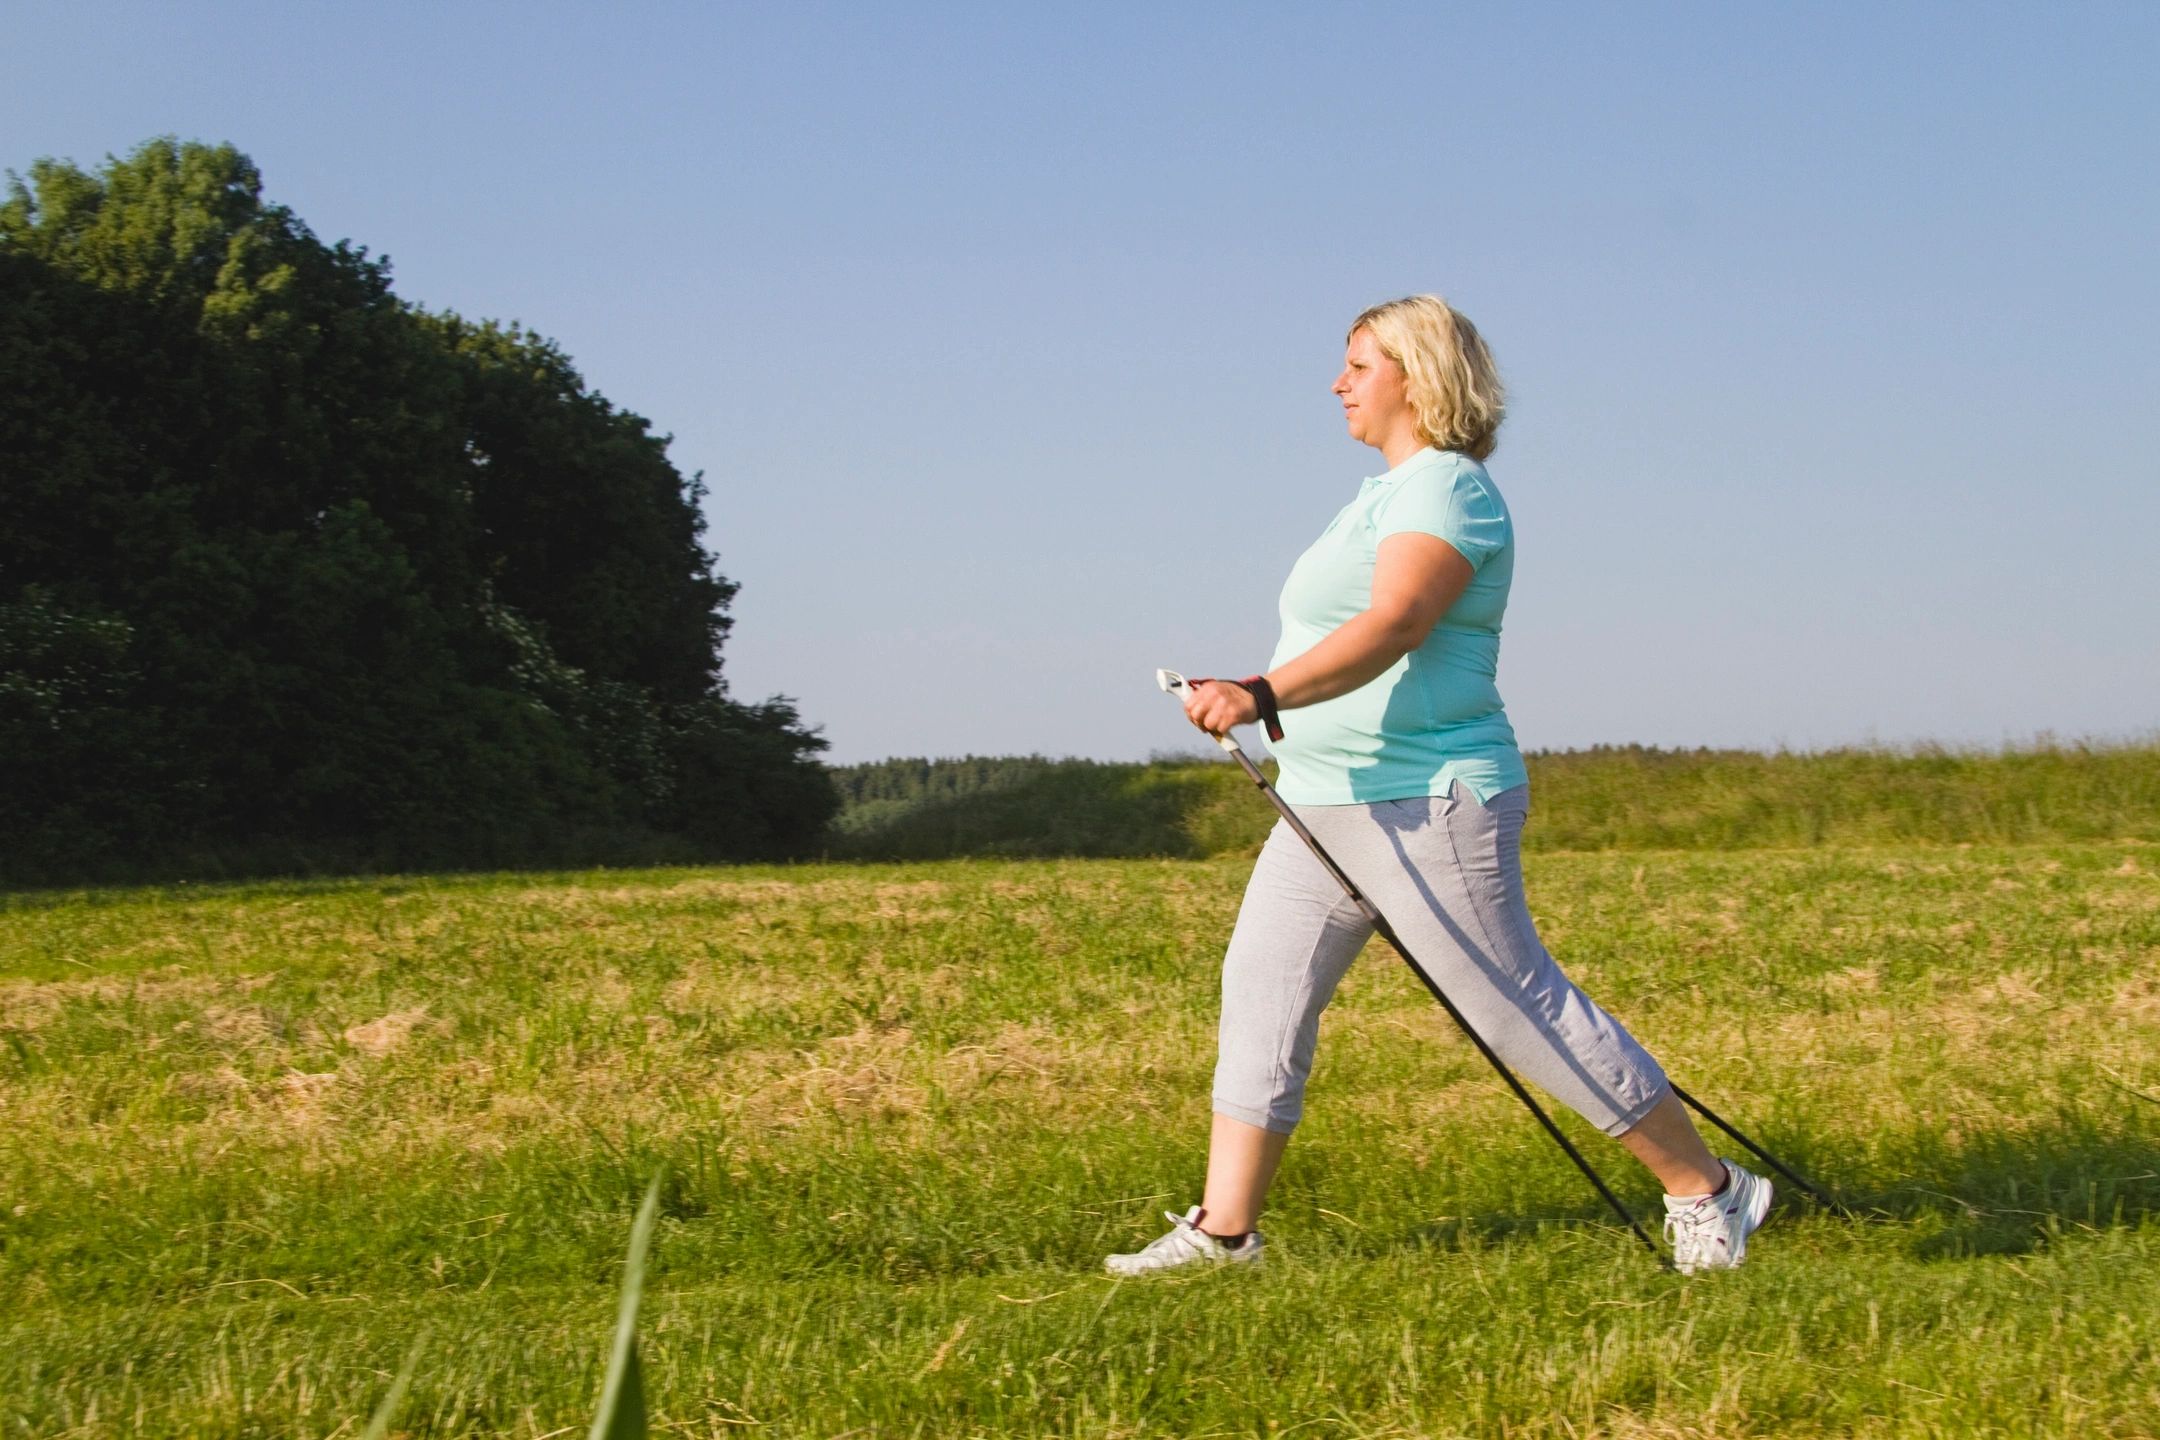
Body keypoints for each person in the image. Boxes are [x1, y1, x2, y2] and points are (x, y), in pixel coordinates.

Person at [1106, 295, 1770, 1278]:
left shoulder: (1450, 490)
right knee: (1262, 995)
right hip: (1326, 799)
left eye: (1359, 365)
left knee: (1516, 1007)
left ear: (1418, 378)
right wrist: (1258, 691)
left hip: (1430, 798)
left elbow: (1398, 623)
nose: (1338, 383)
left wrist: (1258, 691)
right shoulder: (1373, 498)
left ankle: (1709, 1192)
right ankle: (1226, 1233)